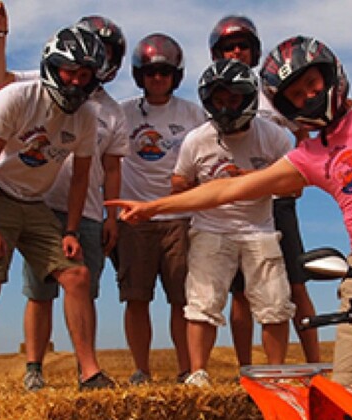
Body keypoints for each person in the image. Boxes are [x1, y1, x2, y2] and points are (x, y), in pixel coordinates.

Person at [109, 0, 352, 400]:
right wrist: (153, 208)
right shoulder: (310, 156)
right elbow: (226, 190)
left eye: (311, 84)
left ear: (330, 73)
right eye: (296, 96)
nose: (309, 96)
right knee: (348, 394)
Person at [0, 25, 116, 413]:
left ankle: (90, 373)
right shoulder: (18, 96)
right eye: (70, 71)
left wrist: (70, 231)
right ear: (52, 66)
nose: (76, 82)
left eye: (85, 75)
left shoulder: (87, 117)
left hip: (33, 200)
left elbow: (81, 179)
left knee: (76, 275)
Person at [0, 2, 129, 392]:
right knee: (39, 292)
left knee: (83, 290)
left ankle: (87, 371)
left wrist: (111, 217)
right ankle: (34, 368)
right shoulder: (44, 81)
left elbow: (113, 169)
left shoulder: (113, 112)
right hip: (41, 203)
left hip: (88, 211)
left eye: (105, 52)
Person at [172, 59, 297, 387]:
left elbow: (295, 186)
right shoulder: (197, 139)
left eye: (233, 99)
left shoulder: (273, 136)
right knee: (202, 303)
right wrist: (208, 188)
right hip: (210, 229)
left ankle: (275, 374)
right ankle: (198, 373)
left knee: (275, 303)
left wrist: (255, 179)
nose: (225, 107)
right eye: (218, 100)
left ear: (249, 97)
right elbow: (178, 181)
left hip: (260, 230)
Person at [208, 15, 321, 366]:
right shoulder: (213, 92)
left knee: (296, 284)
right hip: (240, 208)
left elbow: (303, 131)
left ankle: (315, 363)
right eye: (228, 47)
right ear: (217, 53)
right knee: (241, 293)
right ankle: (247, 368)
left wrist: (297, 175)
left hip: (277, 202)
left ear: (254, 51)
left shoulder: (272, 92)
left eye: (243, 45)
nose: (236, 52)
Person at [116, 33, 207, 385]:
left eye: (164, 72)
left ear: (175, 75)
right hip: (136, 217)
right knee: (136, 298)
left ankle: (187, 369)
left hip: (181, 218)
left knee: (182, 299)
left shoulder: (193, 114)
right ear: (139, 75)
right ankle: (142, 370)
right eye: (150, 72)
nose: (157, 78)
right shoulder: (123, 112)